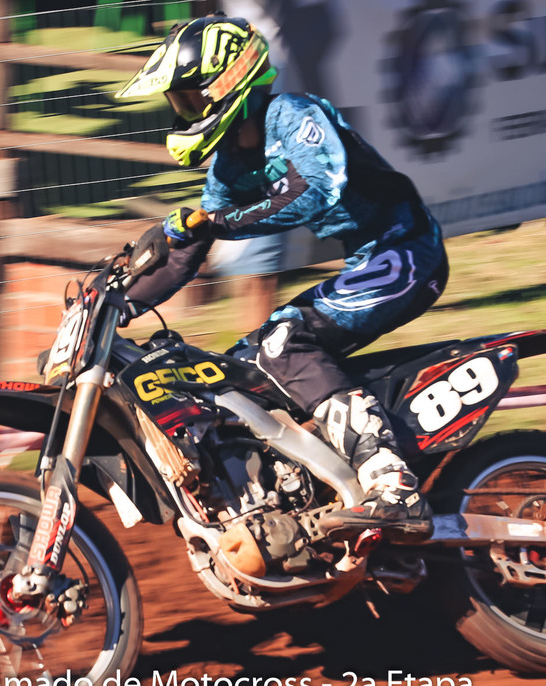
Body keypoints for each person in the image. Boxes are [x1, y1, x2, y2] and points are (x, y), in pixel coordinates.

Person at [115, 15, 449, 535]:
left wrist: (217, 222)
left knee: (283, 342)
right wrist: (117, 302)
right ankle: (307, 491)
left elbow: (317, 189)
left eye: (191, 99)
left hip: (406, 250)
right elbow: (189, 250)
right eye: (179, 103)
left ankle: (394, 486)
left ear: (228, 84)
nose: (185, 112)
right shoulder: (229, 164)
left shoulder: (293, 115)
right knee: (243, 363)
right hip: (367, 259)